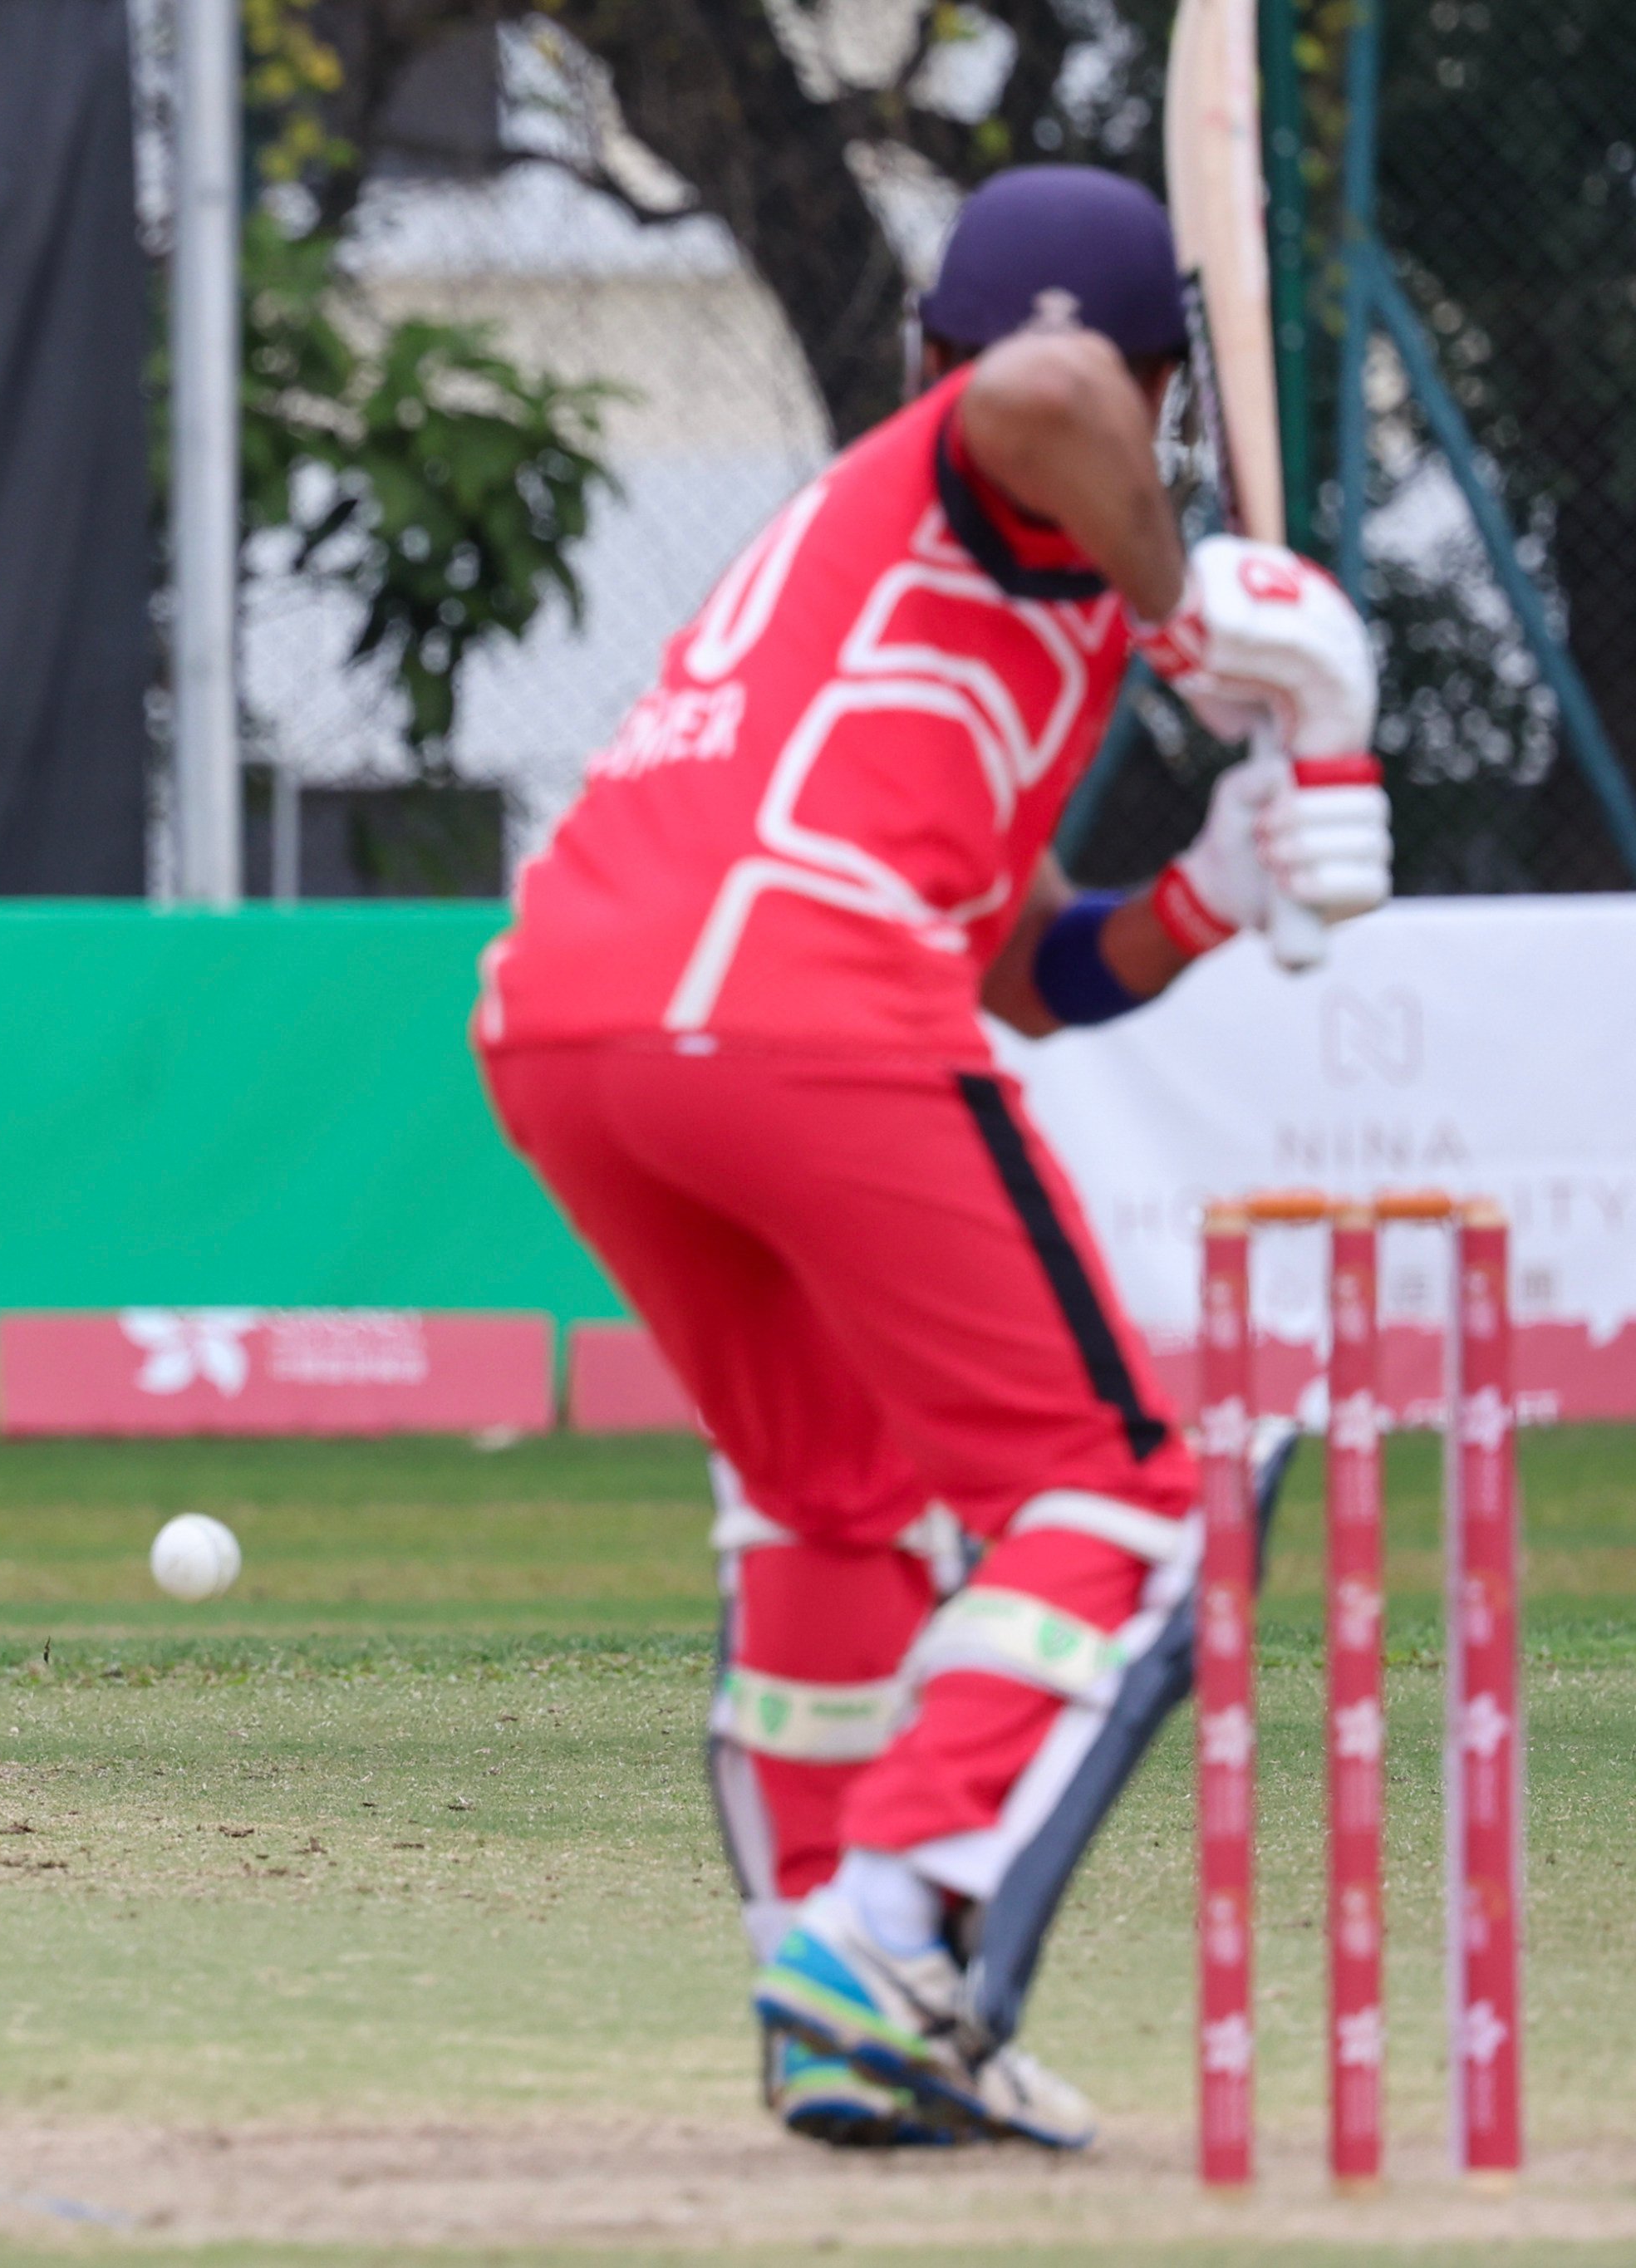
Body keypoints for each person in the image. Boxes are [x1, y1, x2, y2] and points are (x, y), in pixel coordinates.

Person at [470, 167, 1390, 2148]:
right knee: (1118, 1488)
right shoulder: (1005, 462)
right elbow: (1043, 398)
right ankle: (881, 1926)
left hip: (573, 1024)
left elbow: (1036, 972)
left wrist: (1217, 885)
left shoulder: (926, 580)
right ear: (1168, 387)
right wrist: (1189, 616)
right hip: (786, 1004)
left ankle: (828, 2005)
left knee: (829, 1499)